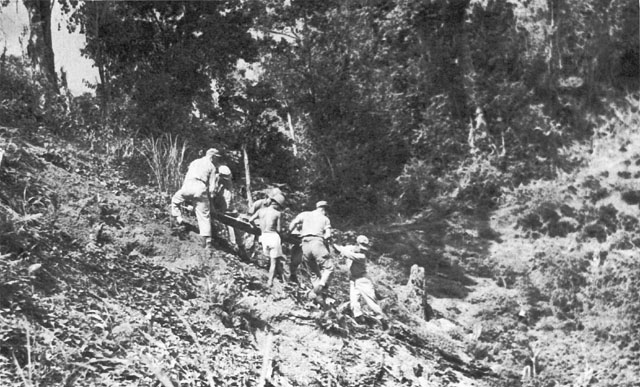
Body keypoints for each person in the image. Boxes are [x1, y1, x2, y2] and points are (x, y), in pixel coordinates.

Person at [170, 148, 219, 249]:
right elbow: (212, 188)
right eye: (216, 158)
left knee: (175, 201)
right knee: (204, 215)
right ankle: (208, 241)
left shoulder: (194, 162)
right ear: (212, 157)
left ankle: (179, 218)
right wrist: (210, 203)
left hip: (187, 186)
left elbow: (187, 175)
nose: (216, 160)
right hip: (200, 187)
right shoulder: (212, 167)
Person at [288, 200, 333, 305]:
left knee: (313, 272)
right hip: (317, 242)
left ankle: (319, 297)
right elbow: (328, 235)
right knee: (329, 267)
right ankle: (321, 286)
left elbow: (293, 223)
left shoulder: (305, 214)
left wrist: (289, 232)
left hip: (305, 244)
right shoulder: (325, 219)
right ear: (324, 209)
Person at [334, 235, 386, 325]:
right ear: (357, 244)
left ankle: (383, 321)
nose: (363, 250)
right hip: (353, 280)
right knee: (354, 303)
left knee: (371, 302)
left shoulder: (361, 256)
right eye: (361, 247)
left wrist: (334, 245)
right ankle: (361, 321)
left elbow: (346, 253)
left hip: (363, 280)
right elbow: (342, 250)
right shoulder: (351, 248)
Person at [248, 193, 286, 287]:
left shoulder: (261, 211)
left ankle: (281, 278)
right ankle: (270, 281)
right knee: (273, 261)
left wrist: (255, 228)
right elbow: (279, 230)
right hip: (273, 236)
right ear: (277, 204)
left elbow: (250, 220)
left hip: (264, 237)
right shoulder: (278, 214)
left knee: (270, 258)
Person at [211, 165, 238, 248]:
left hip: (224, 204)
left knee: (230, 220)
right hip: (214, 198)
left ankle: (233, 242)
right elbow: (212, 190)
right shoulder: (214, 177)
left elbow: (228, 196)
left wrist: (225, 209)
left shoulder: (228, 182)